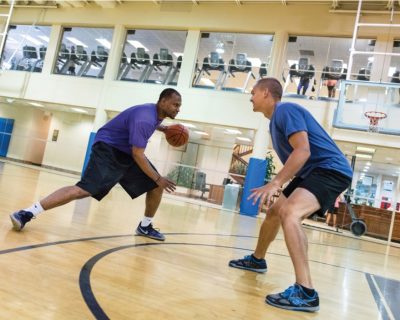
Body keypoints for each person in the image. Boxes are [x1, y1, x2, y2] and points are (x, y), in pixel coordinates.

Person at [229, 78, 352, 312]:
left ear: (266, 93)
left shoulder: (285, 110)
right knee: (276, 212)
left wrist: (276, 182)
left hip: (329, 169)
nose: (250, 97)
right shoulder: (274, 122)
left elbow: (303, 151)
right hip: (311, 172)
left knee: (290, 213)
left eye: (253, 92)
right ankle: (257, 259)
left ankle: (306, 291)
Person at [10, 88, 182, 241]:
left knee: (155, 186)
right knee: (83, 189)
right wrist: (158, 177)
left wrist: (164, 129)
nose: (178, 109)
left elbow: (138, 137)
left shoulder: (154, 114)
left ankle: (145, 226)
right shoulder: (145, 118)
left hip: (126, 152)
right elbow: (138, 154)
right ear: (163, 101)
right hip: (109, 148)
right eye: (175, 104)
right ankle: (26, 213)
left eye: (179, 106)